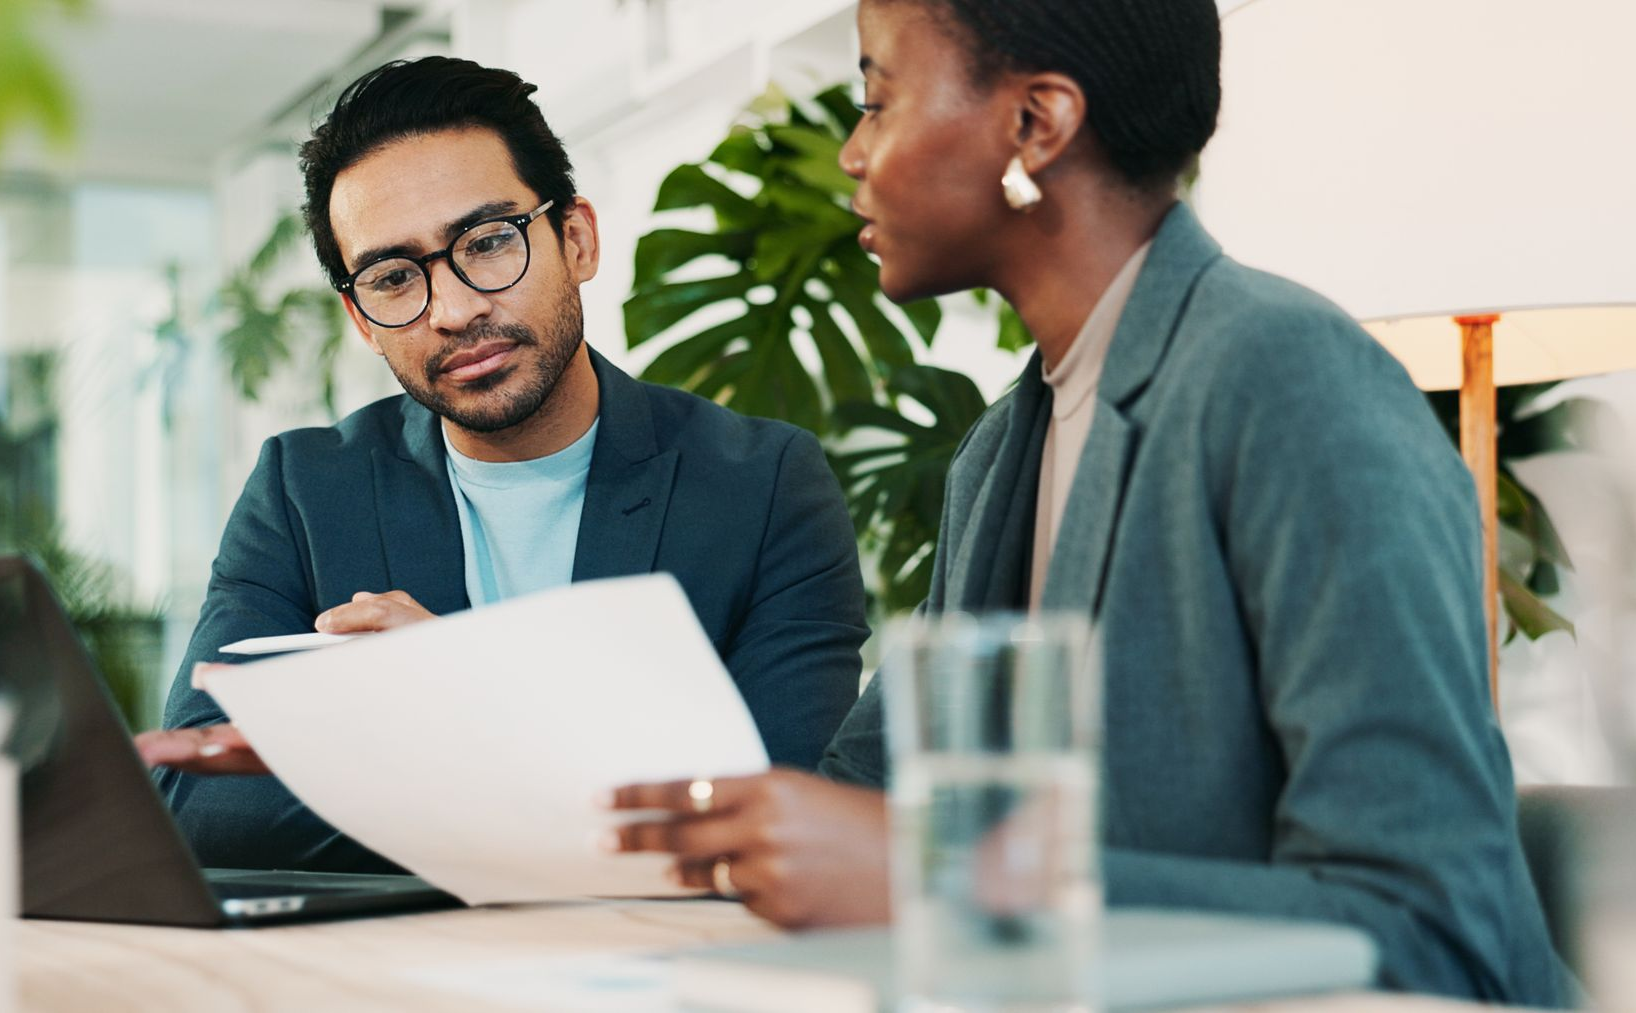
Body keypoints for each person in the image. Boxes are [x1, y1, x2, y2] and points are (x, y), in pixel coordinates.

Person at [603, 0, 1570, 1005]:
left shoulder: (1284, 377)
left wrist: (950, 883)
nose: (852, 153)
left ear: (1036, 125)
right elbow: (860, 796)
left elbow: (1432, 927)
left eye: (877, 100)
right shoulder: (999, 451)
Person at [141, 57, 869, 872]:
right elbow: (198, 804)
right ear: (360, 317)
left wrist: (472, 696)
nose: (454, 310)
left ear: (577, 238)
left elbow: (781, 811)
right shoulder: (305, 492)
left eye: (487, 243)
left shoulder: (761, 485)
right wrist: (545, 773)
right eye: (393, 277)